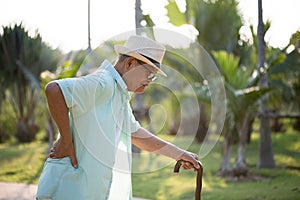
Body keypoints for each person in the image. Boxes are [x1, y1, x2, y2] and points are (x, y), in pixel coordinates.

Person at [36, 35, 200, 200]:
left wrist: (179, 154)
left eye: (153, 77)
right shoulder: (103, 83)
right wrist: (65, 142)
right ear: (130, 64)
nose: (150, 81)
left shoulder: (119, 94)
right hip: (69, 189)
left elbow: (137, 135)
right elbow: (54, 90)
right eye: (149, 74)